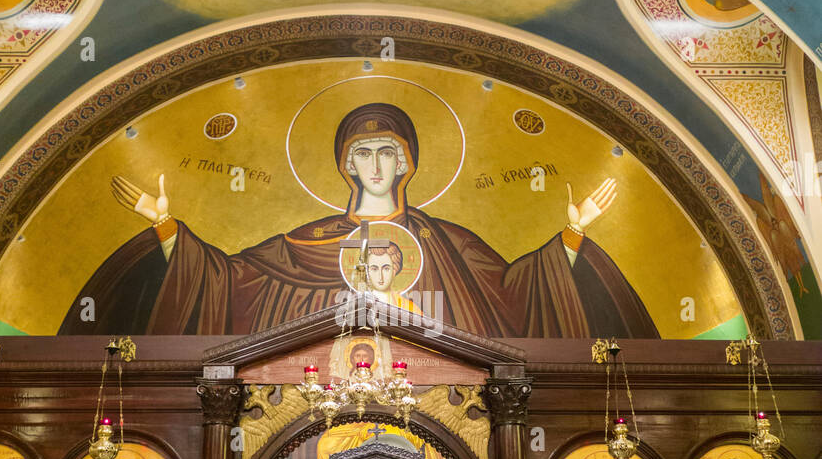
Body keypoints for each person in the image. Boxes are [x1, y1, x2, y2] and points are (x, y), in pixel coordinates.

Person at [61, 102, 658, 339]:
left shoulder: (446, 242)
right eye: (365, 154)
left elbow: (510, 290)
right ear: (347, 164)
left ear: (408, 161)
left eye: (389, 152)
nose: (377, 164)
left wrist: (571, 238)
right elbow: (230, 278)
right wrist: (168, 228)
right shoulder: (310, 240)